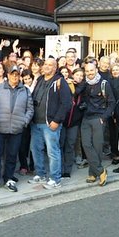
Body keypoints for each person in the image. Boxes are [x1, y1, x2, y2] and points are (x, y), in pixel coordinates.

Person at [0, 65, 33, 193]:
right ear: (8, 75)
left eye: (17, 75)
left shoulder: (25, 91)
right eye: (12, 74)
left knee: (12, 155)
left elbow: (30, 109)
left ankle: (8, 178)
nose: (15, 77)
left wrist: (24, 121)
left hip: (17, 128)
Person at [28, 58, 72, 189]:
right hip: (36, 123)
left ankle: (55, 179)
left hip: (50, 124)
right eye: (45, 64)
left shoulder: (60, 82)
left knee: (52, 152)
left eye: (50, 65)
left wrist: (57, 120)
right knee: (35, 149)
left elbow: (66, 104)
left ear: (55, 67)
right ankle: (40, 174)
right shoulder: (40, 79)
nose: (47, 67)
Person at [81, 63, 115, 186]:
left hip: (98, 118)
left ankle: (93, 172)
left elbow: (112, 102)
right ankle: (101, 171)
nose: (90, 73)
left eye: (92, 70)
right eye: (87, 71)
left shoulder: (104, 83)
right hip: (86, 117)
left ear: (96, 70)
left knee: (97, 147)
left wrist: (104, 117)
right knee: (86, 145)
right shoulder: (83, 84)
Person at [61, 68, 86, 178]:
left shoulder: (83, 87)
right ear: (73, 75)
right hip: (62, 121)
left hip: (74, 122)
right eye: (77, 75)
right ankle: (59, 169)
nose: (79, 77)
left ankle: (67, 170)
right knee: (60, 145)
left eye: (81, 76)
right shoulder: (65, 84)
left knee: (70, 146)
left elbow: (79, 93)